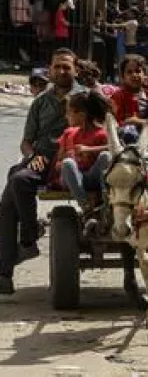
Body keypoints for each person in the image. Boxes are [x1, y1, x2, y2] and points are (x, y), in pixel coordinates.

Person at [0, 49, 86, 294]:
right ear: (50, 70)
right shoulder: (41, 101)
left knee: (9, 197)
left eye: (66, 67)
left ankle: (11, 262)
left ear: (75, 70)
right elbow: (27, 140)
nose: (61, 71)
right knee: (17, 180)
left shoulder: (86, 98)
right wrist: (30, 158)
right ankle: (29, 235)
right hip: (43, 158)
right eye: (57, 67)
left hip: (76, 158)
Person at [52, 91, 112, 230]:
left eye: (69, 112)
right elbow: (58, 163)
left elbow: (116, 149)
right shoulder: (69, 133)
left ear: (81, 115)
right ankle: (86, 209)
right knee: (68, 164)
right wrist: (66, 160)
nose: (66, 116)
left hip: (93, 177)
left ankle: (107, 203)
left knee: (106, 157)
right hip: (73, 178)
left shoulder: (101, 134)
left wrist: (88, 150)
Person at [110, 55, 148, 133]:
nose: (134, 75)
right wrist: (133, 121)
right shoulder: (117, 96)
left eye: (138, 71)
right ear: (123, 77)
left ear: (145, 75)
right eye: (129, 72)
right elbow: (115, 123)